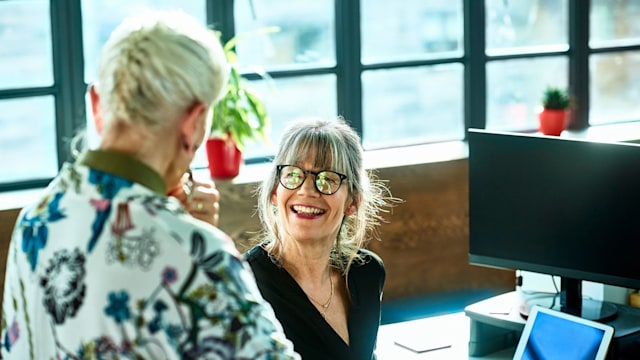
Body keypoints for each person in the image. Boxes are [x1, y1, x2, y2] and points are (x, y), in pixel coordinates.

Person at [0, 10, 299, 359]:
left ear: (96, 104)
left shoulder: (35, 220)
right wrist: (191, 240)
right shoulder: (199, 255)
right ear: (194, 123)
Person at [244, 116, 398, 360]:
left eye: (327, 179)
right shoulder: (245, 283)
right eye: (293, 175)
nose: (306, 190)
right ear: (275, 191)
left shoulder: (367, 273)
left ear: (352, 202)